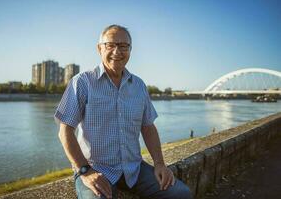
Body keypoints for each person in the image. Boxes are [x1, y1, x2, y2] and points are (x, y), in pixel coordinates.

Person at [55, 24, 192, 199]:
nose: (117, 51)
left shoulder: (139, 86)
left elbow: (148, 127)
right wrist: (84, 171)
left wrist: (159, 164)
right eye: (110, 45)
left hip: (134, 169)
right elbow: (64, 130)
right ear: (99, 49)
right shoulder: (82, 82)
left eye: (123, 46)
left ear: (130, 50)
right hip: (95, 168)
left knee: (181, 194)